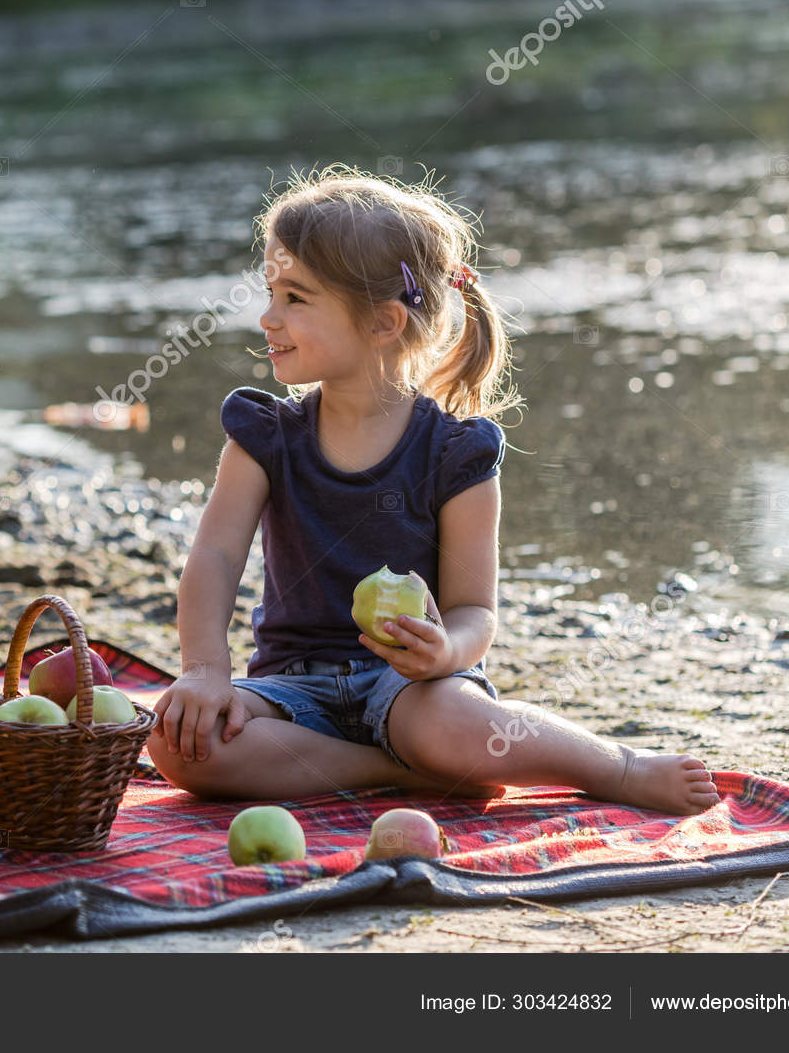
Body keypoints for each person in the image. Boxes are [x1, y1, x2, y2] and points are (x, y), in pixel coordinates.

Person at [150, 166, 719, 816]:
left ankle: (617, 766)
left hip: (414, 690)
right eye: (271, 291)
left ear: (384, 323)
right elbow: (215, 557)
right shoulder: (265, 434)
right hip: (290, 689)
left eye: (295, 298)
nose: (267, 316)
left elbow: (475, 608)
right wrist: (204, 670)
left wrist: (444, 650)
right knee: (180, 743)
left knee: (449, 725)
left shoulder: (456, 452)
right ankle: (403, 773)